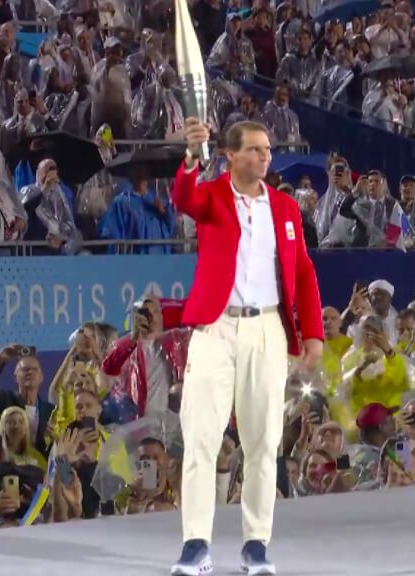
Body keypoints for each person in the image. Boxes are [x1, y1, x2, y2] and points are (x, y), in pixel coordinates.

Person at [169, 117, 324, 576]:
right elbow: (183, 197)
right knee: (201, 437)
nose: (265, 156)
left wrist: (312, 331)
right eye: (255, 149)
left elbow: (302, 273)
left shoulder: (286, 209)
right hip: (216, 328)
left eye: (268, 149)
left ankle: (256, 544)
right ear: (231, 155)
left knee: (264, 441)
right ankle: (196, 544)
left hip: (268, 330)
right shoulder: (212, 195)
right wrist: (191, 157)